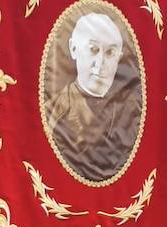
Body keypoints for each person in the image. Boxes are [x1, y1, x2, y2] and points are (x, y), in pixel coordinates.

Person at [45, 12, 141, 182]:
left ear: (118, 58)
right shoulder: (53, 114)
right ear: (74, 49)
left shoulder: (133, 111)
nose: (101, 63)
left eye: (110, 52)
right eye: (93, 50)